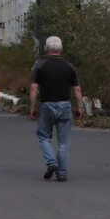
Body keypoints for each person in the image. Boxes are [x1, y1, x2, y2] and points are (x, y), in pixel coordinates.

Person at [29, 35, 83, 182]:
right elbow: (77, 89)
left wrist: (33, 107)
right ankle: (62, 173)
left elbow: (34, 88)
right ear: (61, 50)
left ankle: (51, 162)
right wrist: (79, 107)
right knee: (64, 142)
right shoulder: (69, 67)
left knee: (43, 137)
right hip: (65, 105)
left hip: (47, 105)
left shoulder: (39, 66)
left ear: (47, 49)